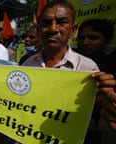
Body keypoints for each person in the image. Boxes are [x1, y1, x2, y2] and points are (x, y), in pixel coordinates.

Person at [21, 0, 116, 143]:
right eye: (46, 23)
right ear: (40, 30)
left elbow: (94, 113)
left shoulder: (87, 68)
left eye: (61, 22)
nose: (53, 28)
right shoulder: (28, 64)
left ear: (72, 30)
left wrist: (106, 99)